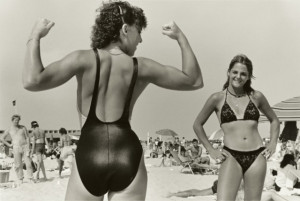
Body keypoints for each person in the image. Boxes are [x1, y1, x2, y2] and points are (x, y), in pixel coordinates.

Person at [22, 1, 203, 200]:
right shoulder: (141, 67)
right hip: (127, 153)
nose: (140, 39)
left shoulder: (82, 59)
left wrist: (35, 36)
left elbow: (32, 81)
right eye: (138, 31)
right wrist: (181, 39)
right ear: (125, 29)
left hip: (90, 152)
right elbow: (194, 81)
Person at [193, 54, 280, 201]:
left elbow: (274, 120)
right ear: (228, 72)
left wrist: (272, 143)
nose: (238, 76)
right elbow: (197, 124)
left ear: (248, 77)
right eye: (235, 72)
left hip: (257, 156)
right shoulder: (217, 98)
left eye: (243, 74)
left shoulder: (256, 96)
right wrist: (210, 150)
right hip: (231, 155)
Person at [0, 115, 35, 184]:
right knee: (18, 164)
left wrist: (29, 147)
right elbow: (2, 138)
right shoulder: (9, 129)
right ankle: (20, 178)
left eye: (18, 120)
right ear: (12, 120)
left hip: (25, 147)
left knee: (28, 163)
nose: (17, 121)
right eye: (15, 120)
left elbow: (27, 138)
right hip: (16, 147)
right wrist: (9, 145)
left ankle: (30, 178)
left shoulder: (23, 128)